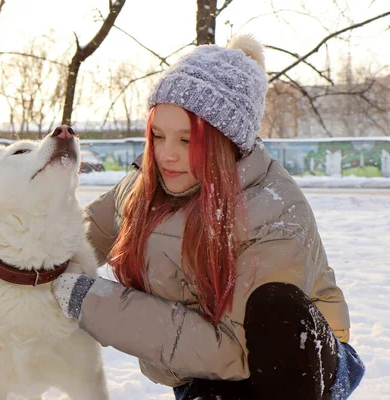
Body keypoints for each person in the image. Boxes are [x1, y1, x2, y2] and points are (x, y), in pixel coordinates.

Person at [52, 34, 365, 399]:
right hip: (203, 373)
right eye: (158, 135)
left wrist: (90, 301)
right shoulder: (145, 186)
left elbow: (235, 351)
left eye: (186, 141)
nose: (166, 154)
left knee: (276, 306)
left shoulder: (273, 209)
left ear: (225, 141)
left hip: (298, 363)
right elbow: (70, 239)